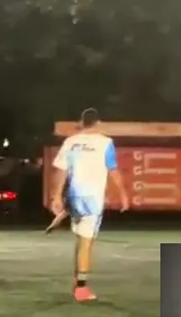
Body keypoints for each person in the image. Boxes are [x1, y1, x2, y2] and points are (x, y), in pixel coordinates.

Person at [48, 108, 127, 302]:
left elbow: (60, 171)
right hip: (92, 199)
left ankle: (78, 279)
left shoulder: (70, 142)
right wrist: (123, 194)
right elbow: (113, 169)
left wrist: (56, 196)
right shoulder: (105, 142)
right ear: (98, 123)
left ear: (81, 123)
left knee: (81, 239)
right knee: (86, 242)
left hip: (74, 195)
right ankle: (81, 288)